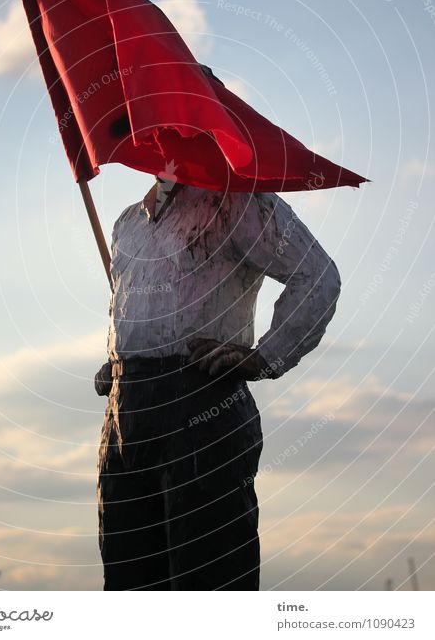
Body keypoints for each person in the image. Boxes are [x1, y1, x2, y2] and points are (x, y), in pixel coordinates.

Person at [94, 172, 341, 590]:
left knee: (209, 580)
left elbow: (317, 276)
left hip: (203, 407)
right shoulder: (127, 224)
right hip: (124, 419)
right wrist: (121, 362)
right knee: (127, 585)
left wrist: (266, 354)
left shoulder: (240, 203)